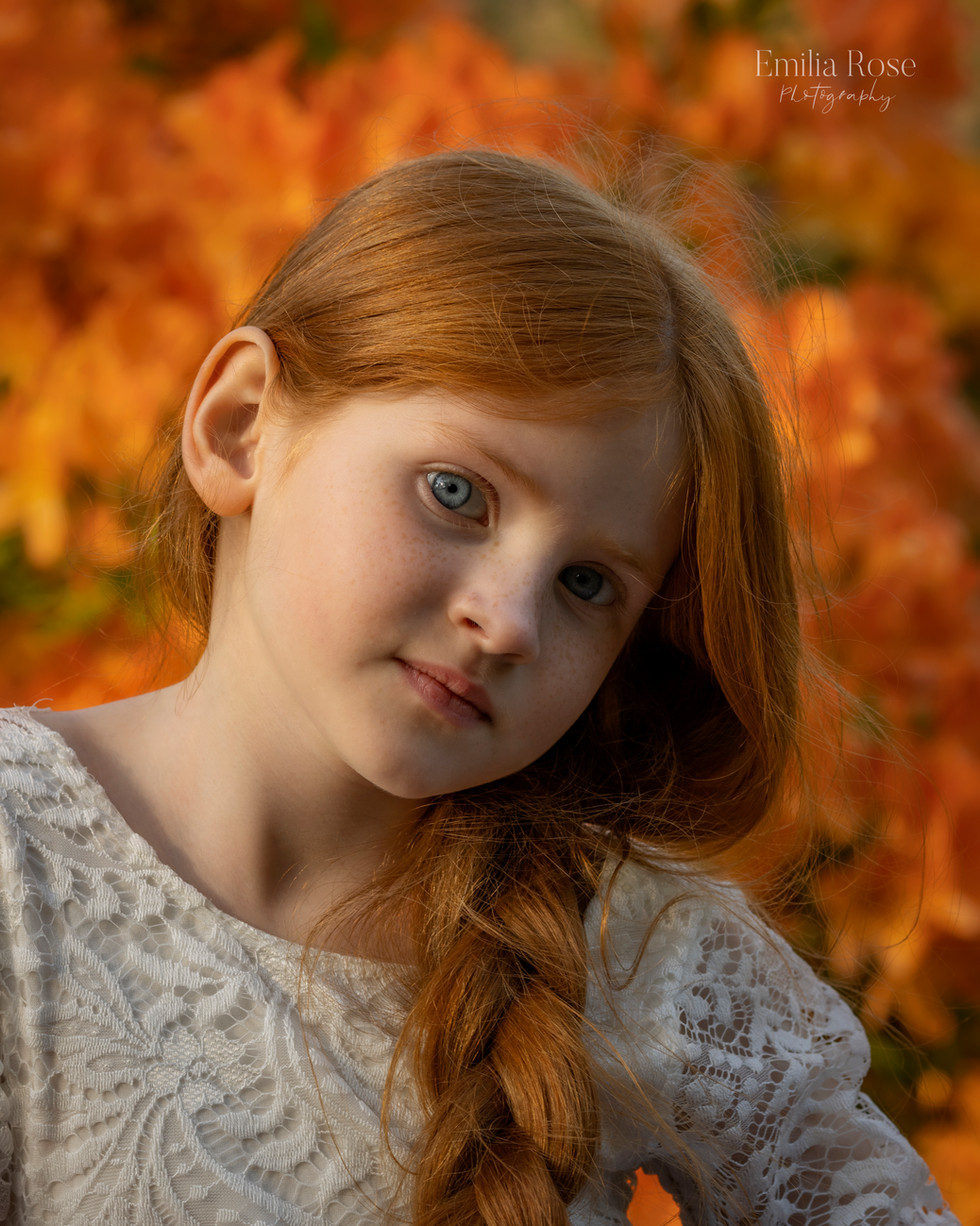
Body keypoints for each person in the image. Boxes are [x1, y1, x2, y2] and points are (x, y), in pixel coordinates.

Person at [0, 147, 957, 1225]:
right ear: (240, 424)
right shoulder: (17, 862)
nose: (506, 621)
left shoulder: (638, 947)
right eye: (456, 493)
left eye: (586, 581)